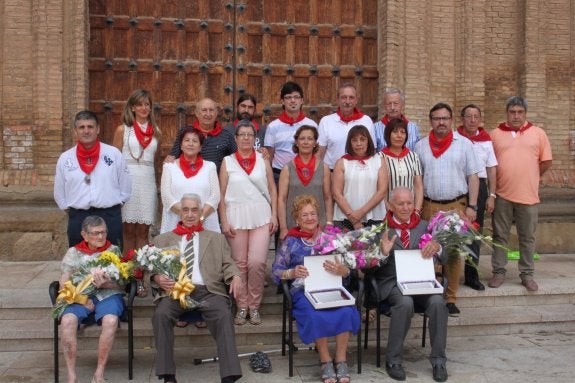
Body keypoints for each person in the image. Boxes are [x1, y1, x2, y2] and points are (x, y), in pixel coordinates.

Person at [151, 194, 242, 383]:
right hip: (175, 292)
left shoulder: (216, 239)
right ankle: (168, 375)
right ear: (180, 213)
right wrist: (156, 277)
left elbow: (229, 264)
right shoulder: (162, 240)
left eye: (194, 210)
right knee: (161, 314)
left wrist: (236, 276)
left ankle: (229, 376)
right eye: (186, 210)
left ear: (201, 213)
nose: (190, 214)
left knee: (224, 314)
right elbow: (149, 269)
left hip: (208, 291)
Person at [272, 195, 360, 383]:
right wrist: (292, 272)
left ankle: (341, 359)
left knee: (346, 309)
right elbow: (275, 272)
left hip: (332, 287)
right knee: (314, 313)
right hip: (303, 292)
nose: (310, 218)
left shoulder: (331, 239)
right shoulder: (290, 241)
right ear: (297, 219)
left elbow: (348, 272)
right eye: (304, 215)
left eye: (313, 214)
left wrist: (343, 270)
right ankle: (325, 360)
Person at [373, 188, 448, 382]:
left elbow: (447, 258)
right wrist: (382, 253)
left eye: (409, 203)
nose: (406, 208)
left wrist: (438, 248)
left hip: (422, 283)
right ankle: (394, 360)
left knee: (438, 302)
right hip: (394, 284)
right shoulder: (381, 230)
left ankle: (439, 360)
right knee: (404, 302)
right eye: (400, 204)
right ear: (390, 206)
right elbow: (368, 270)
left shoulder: (426, 227)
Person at [414, 102, 480, 317]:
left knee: (452, 253)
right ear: (430, 121)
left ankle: (450, 298)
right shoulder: (421, 146)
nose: (441, 122)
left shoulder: (465, 144)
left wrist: (472, 205)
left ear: (451, 120)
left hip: (455, 206)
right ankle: (429, 295)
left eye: (445, 118)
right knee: (428, 251)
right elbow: (418, 179)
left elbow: (473, 175)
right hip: (429, 205)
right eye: (436, 118)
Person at [488, 96, 552, 292]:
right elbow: (490, 164)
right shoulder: (496, 134)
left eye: (520, 112)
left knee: (527, 237)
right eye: (512, 112)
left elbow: (546, 161)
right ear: (507, 113)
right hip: (502, 195)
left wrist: (532, 176)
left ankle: (527, 274)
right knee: (500, 236)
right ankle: (498, 272)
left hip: (529, 196)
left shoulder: (538, 133)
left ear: (525, 113)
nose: (516, 116)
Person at [219, 120, 278, 325]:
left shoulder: (263, 159)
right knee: (239, 264)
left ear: (255, 139)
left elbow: (272, 188)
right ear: (235, 139)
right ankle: (241, 305)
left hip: (261, 215)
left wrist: (275, 215)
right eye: (242, 134)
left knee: (257, 262)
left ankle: (254, 306)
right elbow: (221, 193)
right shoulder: (227, 161)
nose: (245, 138)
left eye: (249, 135)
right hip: (235, 216)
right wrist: (224, 221)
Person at [59, 216, 127, 383]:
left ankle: (99, 373)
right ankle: (71, 375)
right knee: (67, 321)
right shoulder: (73, 252)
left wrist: (107, 284)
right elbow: (63, 284)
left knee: (111, 320)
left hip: (108, 296)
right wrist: (81, 299)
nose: (100, 237)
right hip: (80, 296)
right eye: (95, 233)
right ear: (84, 234)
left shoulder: (114, 251)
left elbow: (123, 284)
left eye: (103, 232)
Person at [54, 110, 132, 248]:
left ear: (98, 129)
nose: (86, 131)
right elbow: (59, 192)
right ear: (75, 131)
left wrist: (114, 206)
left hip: (109, 216)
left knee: (112, 264)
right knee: (80, 264)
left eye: (90, 127)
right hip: (79, 218)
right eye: (81, 127)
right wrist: (72, 211)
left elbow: (125, 186)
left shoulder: (113, 154)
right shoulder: (65, 158)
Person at [112, 89, 161, 253]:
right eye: (139, 104)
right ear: (132, 107)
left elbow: (157, 161)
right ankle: (127, 271)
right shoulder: (122, 130)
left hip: (147, 183)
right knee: (127, 229)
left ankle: (141, 271)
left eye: (147, 104)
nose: (144, 108)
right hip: (128, 182)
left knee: (143, 231)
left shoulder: (156, 132)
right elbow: (114, 161)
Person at [456, 104, 498, 291]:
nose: (472, 120)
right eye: (469, 116)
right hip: (458, 185)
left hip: (479, 186)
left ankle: (471, 275)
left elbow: (491, 168)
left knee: (474, 232)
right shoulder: (455, 138)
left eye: (476, 117)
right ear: (462, 119)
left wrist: (492, 195)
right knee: (454, 229)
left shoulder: (486, 140)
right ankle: (448, 273)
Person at [160, 126, 220, 234]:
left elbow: (215, 196)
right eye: (187, 140)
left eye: (195, 141)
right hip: (175, 223)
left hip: (205, 223)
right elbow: (166, 196)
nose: (190, 144)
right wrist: (187, 216)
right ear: (181, 146)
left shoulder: (210, 166)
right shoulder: (169, 167)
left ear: (200, 147)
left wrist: (199, 217)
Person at [278, 125, 334, 241]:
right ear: (296, 142)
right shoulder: (287, 169)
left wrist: (329, 222)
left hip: (318, 225)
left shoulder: (324, 168)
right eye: (302, 138)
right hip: (293, 225)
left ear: (315, 142)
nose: (306, 142)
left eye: (310, 138)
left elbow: (328, 197)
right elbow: (281, 199)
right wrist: (283, 227)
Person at [332, 125, 388, 231]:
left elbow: (382, 191)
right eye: (354, 140)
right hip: (346, 218)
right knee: (346, 247)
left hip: (374, 217)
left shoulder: (379, 161)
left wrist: (360, 213)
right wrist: (354, 219)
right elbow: (337, 193)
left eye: (362, 139)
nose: (359, 143)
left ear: (369, 141)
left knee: (374, 247)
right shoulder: (342, 162)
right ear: (350, 142)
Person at [264, 81, 318, 183]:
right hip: (278, 175)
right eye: (288, 97)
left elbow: (316, 152)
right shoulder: (273, 127)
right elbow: (269, 157)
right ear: (282, 101)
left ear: (302, 100)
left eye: (296, 97)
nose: (293, 100)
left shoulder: (312, 125)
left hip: (307, 174)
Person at [165, 98, 236, 172]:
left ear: (216, 113)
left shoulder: (226, 136)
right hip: (188, 179)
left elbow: (235, 161)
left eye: (211, 110)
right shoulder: (186, 132)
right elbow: (173, 156)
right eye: (204, 110)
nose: (208, 114)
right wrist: (169, 159)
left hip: (216, 181)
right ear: (197, 113)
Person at [317, 82, 376, 170]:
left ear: (356, 100)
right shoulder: (326, 121)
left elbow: (372, 150)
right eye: (344, 97)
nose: (347, 101)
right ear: (337, 100)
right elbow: (319, 152)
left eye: (351, 98)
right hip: (332, 173)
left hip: (359, 172)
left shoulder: (366, 120)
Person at [380, 117, 424, 213]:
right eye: (395, 132)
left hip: (409, 212)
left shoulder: (413, 156)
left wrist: (416, 210)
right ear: (388, 134)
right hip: (387, 212)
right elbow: (378, 189)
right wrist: (388, 209)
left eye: (403, 132)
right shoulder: (379, 157)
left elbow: (418, 186)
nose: (399, 136)